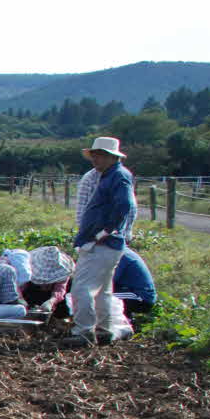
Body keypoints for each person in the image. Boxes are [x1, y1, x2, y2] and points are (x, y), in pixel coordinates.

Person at [65, 136, 137, 345]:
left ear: (112, 157)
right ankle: (104, 330)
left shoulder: (118, 177)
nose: (95, 159)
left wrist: (105, 231)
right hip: (105, 242)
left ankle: (84, 331)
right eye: (94, 155)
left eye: (100, 155)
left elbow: (125, 206)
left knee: (81, 288)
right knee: (103, 290)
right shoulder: (110, 175)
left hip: (102, 243)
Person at [23, 245, 73, 318]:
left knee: (62, 311)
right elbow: (20, 287)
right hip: (32, 291)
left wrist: (52, 301)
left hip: (54, 295)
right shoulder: (28, 269)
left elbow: (60, 289)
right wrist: (21, 300)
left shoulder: (63, 271)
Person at [111, 246, 156, 321]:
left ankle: (121, 323)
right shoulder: (123, 252)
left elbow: (110, 280)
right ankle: (125, 321)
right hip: (135, 293)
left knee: (101, 296)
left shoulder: (120, 254)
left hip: (140, 297)